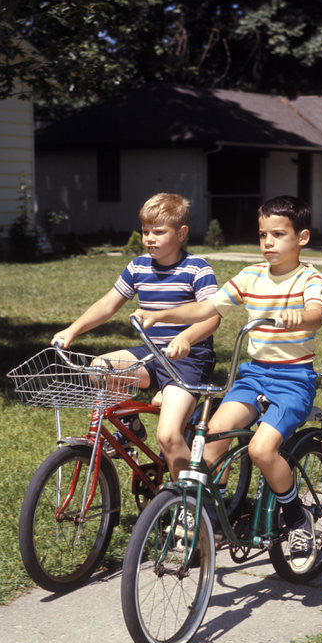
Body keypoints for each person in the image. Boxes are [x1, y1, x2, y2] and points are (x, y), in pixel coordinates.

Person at [133, 195, 322, 558]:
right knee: (210, 445)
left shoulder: (308, 278)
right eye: (262, 235)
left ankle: (297, 516)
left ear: (301, 237)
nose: (268, 242)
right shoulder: (250, 275)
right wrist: (161, 315)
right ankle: (211, 521)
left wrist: (297, 317)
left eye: (278, 234)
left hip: (293, 380)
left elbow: (317, 311)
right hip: (253, 376)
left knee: (260, 449)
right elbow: (206, 307)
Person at [51, 193, 220, 477]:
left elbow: (212, 317)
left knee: (168, 436)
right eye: (145, 231)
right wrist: (73, 330)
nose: (149, 238)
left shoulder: (197, 268)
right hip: (152, 353)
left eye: (158, 232)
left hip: (188, 359)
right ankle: (130, 429)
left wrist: (186, 338)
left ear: (181, 233)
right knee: (100, 368)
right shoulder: (138, 267)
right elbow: (108, 304)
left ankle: (190, 505)